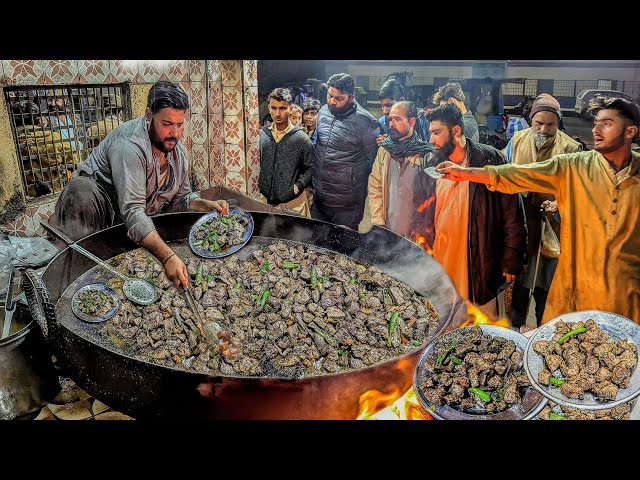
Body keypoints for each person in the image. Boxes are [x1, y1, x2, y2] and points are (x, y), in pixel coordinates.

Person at [435, 96, 640, 325]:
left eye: (607, 123)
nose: (596, 130)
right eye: (596, 123)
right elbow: (515, 174)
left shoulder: (570, 149)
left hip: (626, 297)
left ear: (630, 131)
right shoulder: (574, 166)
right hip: (576, 289)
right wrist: (466, 173)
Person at [51, 80, 229, 289]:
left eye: (180, 124)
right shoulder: (129, 146)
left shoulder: (176, 152)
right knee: (81, 192)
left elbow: (183, 197)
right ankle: (72, 285)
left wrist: (205, 204)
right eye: (167, 124)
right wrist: (167, 257)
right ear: (148, 116)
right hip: (98, 213)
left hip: (128, 218)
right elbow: (133, 211)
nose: (175, 133)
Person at [413, 103, 527, 315]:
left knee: (480, 326)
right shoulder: (430, 163)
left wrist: (512, 257)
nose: (431, 140)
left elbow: (513, 215)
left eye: (437, 133)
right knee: (442, 321)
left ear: (455, 131)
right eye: (430, 133)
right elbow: (420, 213)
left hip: (479, 264)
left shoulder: (491, 161)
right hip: (441, 262)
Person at [504, 93, 582, 329]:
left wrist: (560, 204)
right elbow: (506, 174)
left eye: (551, 124)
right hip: (521, 224)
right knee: (519, 281)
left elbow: (577, 190)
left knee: (545, 285)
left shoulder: (571, 148)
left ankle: (545, 329)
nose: (544, 129)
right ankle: (515, 330)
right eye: (539, 123)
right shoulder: (517, 140)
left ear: (558, 123)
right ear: (531, 120)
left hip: (552, 230)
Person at [312, 73, 379, 230]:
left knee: (343, 250)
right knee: (317, 245)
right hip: (320, 199)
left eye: (339, 98)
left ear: (351, 97)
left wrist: (350, 181)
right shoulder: (323, 112)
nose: (332, 102)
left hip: (347, 206)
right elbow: (317, 147)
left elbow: (373, 163)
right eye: (330, 96)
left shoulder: (366, 122)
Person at [367, 101, 433, 238]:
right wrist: (378, 223)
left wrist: (423, 231)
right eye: (391, 119)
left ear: (412, 121)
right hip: (388, 228)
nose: (392, 124)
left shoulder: (425, 155)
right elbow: (375, 187)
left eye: (398, 119)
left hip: (416, 234)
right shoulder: (384, 151)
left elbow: (432, 198)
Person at [258, 87, 314, 217]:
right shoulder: (263, 134)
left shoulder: (301, 139)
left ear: (290, 108)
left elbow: (310, 168)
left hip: (293, 204)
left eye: (282, 108)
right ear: (268, 107)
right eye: (273, 108)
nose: (277, 113)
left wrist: (296, 187)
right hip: (266, 202)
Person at [376, 78, 430, 146]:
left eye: (389, 105)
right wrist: (386, 143)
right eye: (382, 106)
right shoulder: (383, 122)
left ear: (402, 100)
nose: (384, 111)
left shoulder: (420, 117)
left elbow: (428, 148)